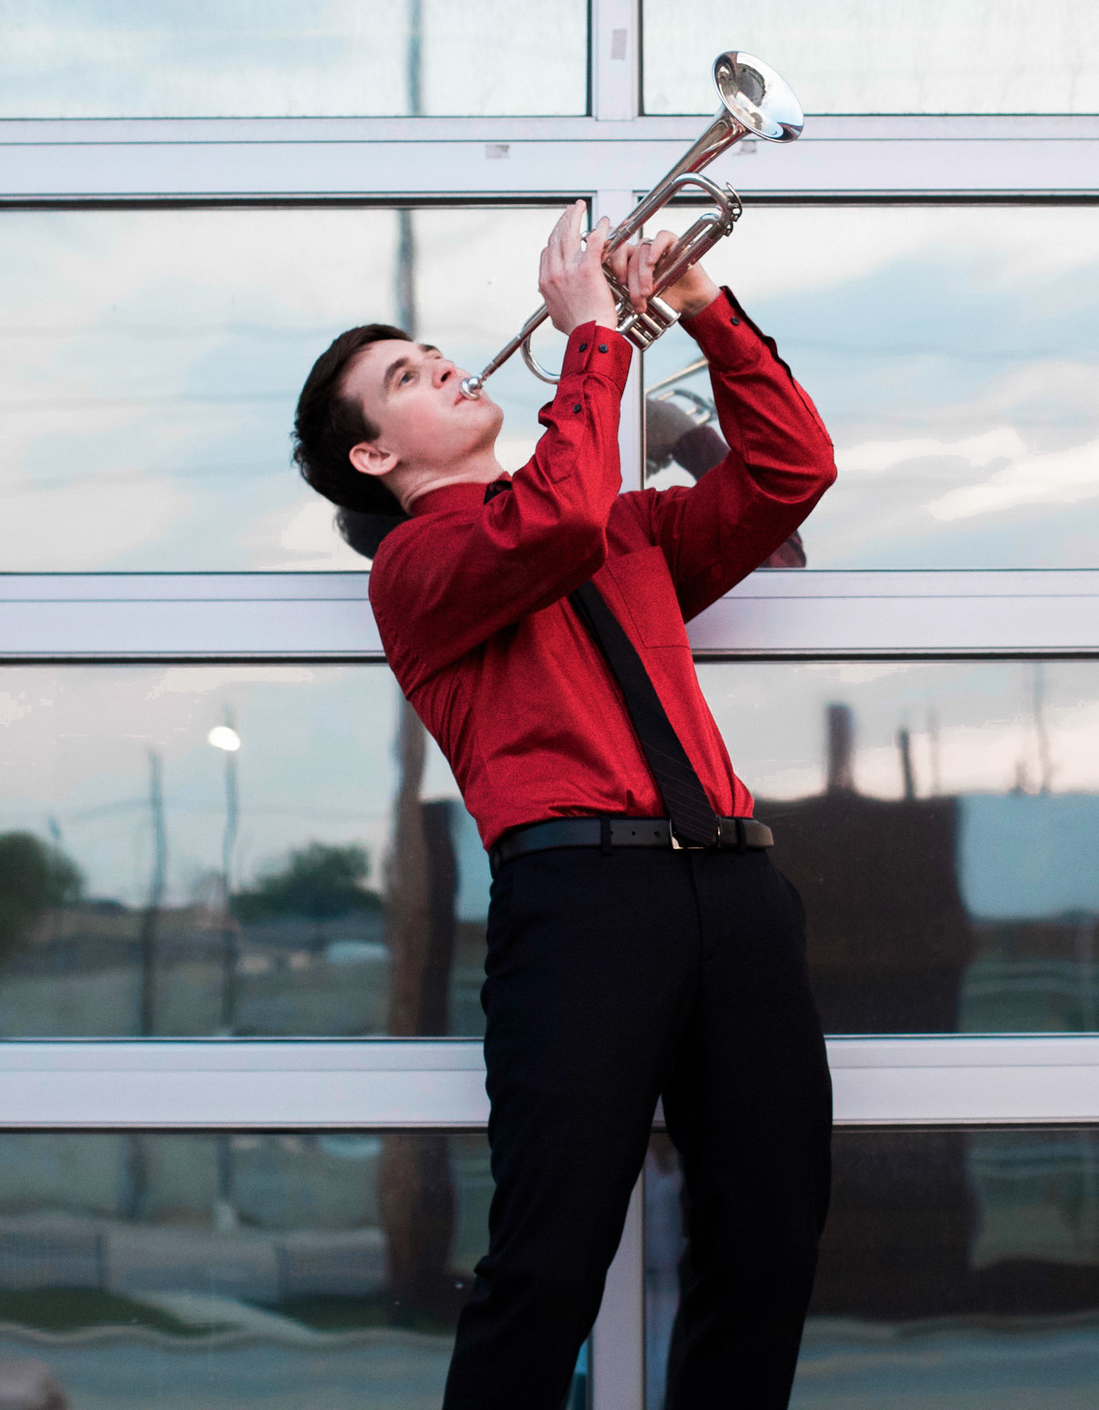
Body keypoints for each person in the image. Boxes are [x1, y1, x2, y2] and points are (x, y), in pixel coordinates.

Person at [291, 201, 838, 1410]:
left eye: (429, 350)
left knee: (768, 1236)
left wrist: (700, 310)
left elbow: (793, 470)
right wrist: (596, 335)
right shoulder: (414, 570)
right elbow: (556, 516)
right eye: (405, 377)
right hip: (585, 907)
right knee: (546, 1262)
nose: (442, 363)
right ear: (377, 458)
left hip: (736, 889)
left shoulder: (625, 527)